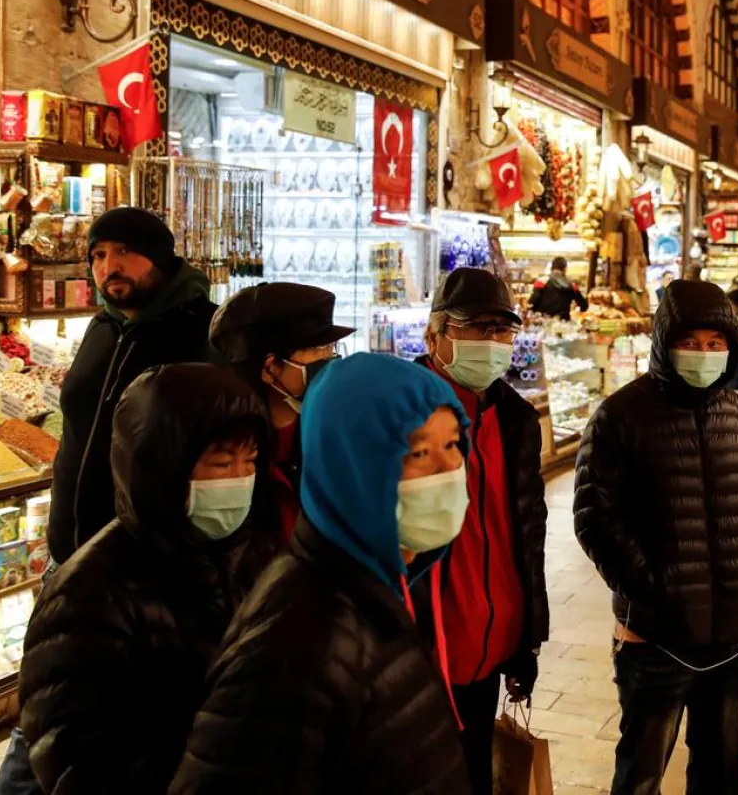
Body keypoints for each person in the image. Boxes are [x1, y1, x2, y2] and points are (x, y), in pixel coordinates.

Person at [168, 354, 473, 795]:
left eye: (453, 445)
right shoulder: (299, 641)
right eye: (419, 452)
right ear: (353, 466)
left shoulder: (384, 588)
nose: (449, 471)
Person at [19, 364, 278, 794]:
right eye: (220, 462)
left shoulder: (257, 555)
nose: (239, 480)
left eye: (249, 461)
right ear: (164, 464)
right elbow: (77, 763)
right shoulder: (85, 597)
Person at [574, 280, 738, 795]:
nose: (705, 354)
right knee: (642, 773)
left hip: (735, 638)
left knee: (727, 772)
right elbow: (594, 517)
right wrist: (650, 591)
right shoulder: (620, 416)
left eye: (717, 343)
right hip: (656, 641)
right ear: (665, 342)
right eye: (691, 341)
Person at [416, 268, 548, 795]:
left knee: (473, 772)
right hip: (427, 649)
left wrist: (526, 641)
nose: (493, 342)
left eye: (502, 330)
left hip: (491, 644)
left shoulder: (515, 417)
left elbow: (526, 532)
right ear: (436, 335)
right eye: (477, 328)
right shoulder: (405, 409)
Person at [53, 208, 218, 565]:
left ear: (158, 257)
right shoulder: (101, 327)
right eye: (98, 255)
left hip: (152, 561)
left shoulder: (204, 329)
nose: (109, 266)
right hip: (71, 553)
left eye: (124, 250)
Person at [208, 283, 354, 542]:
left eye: (331, 348)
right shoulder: (225, 448)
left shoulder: (335, 434)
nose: (330, 360)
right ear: (270, 368)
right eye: (316, 351)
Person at [530, 256, 589, 320]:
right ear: (565, 269)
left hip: (543, 321)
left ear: (551, 268)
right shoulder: (572, 285)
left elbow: (532, 302)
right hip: (563, 323)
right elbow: (584, 306)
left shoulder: (541, 281)